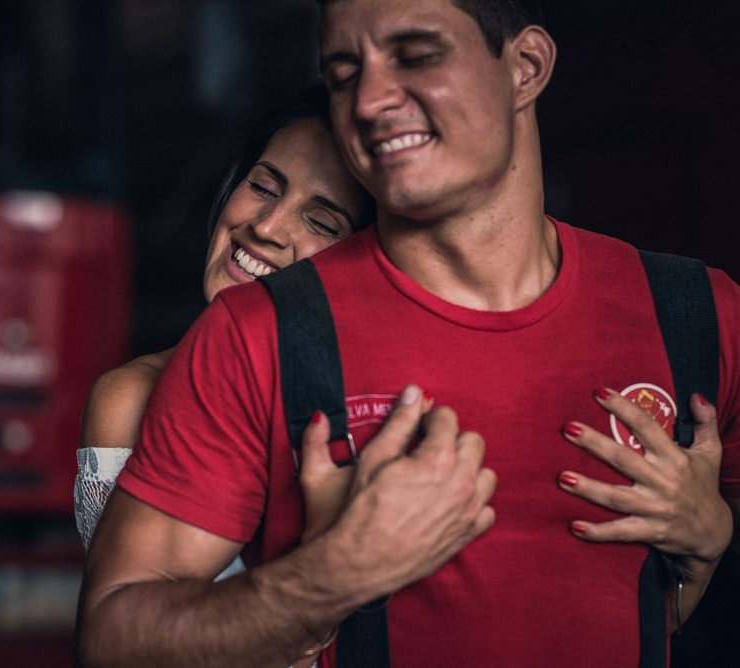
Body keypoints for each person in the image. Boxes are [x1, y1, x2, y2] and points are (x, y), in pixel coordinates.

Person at [76, 1, 740, 666]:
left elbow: (654, 608)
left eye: (417, 55)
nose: (368, 101)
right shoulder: (256, 334)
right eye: (342, 75)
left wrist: (715, 540)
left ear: (527, 67)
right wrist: (335, 573)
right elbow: (113, 641)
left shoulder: (698, 313)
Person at [75, 88, 375, 552]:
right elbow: (133, 620)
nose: (266, 227)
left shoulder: (374, 410)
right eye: (263, 187)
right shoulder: (131, 400)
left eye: (320, 222)